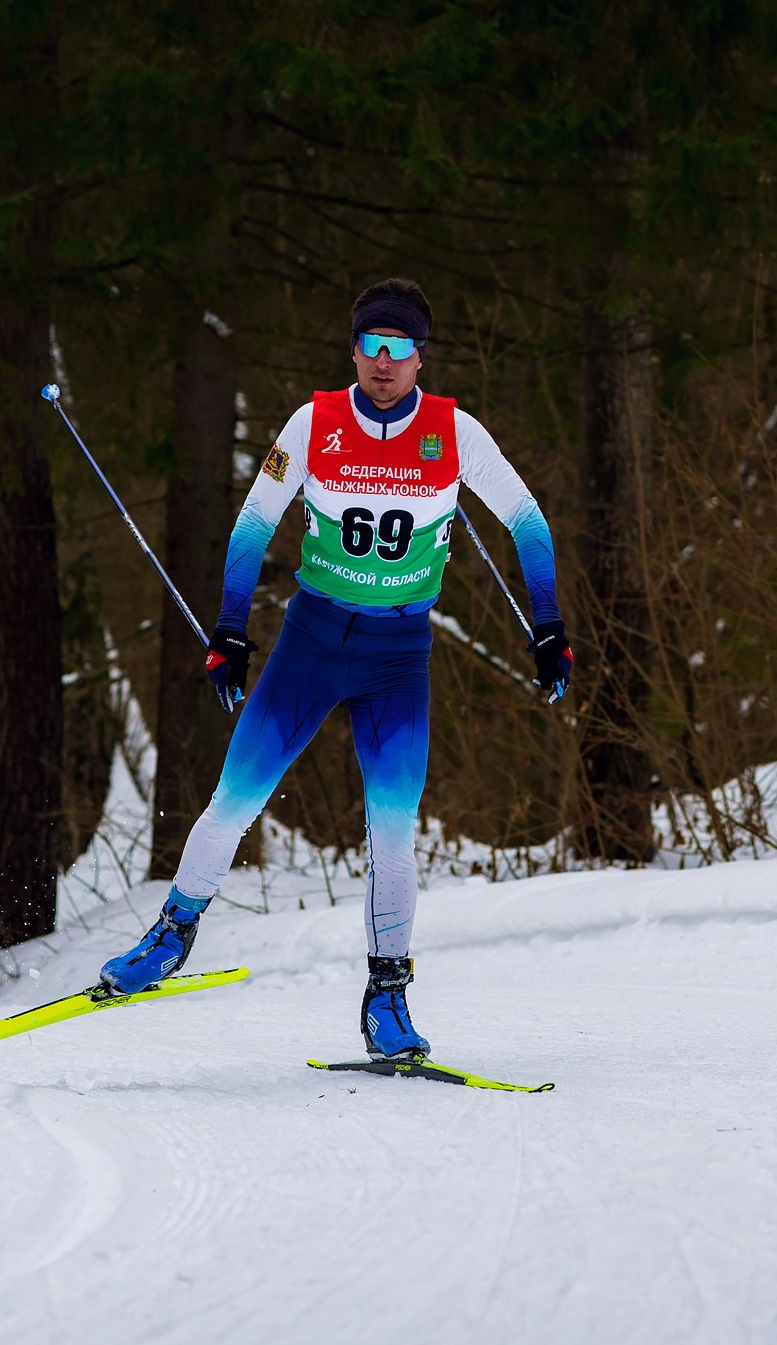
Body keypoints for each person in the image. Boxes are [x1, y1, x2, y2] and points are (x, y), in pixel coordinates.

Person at [101, 279, 572, 1058]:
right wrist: (229, 630)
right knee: (235, 798)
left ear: (421, 358)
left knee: (392, 833)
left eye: (399, 348)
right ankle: (171, 935)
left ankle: (388, 998)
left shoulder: (454, 433)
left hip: (398, 656)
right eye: (371, 346)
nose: (384, 363)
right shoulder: (313, 423)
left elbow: (527, 521)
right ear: (354, 351)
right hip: (312, 643)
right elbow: (254, 522)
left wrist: (549, 626)